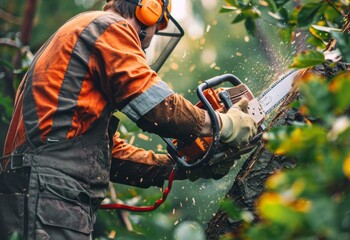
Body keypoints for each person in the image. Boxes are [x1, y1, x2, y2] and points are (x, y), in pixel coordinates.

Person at [0, 0, 257, 239]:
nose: (149, 41)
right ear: (149, 10)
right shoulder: (108, 28)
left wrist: (181, 168)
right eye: (157, 26)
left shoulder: (83, 34)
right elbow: (157, 106)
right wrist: (222, 124)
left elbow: (111, 158)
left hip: (42, 193)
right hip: (49, 196)